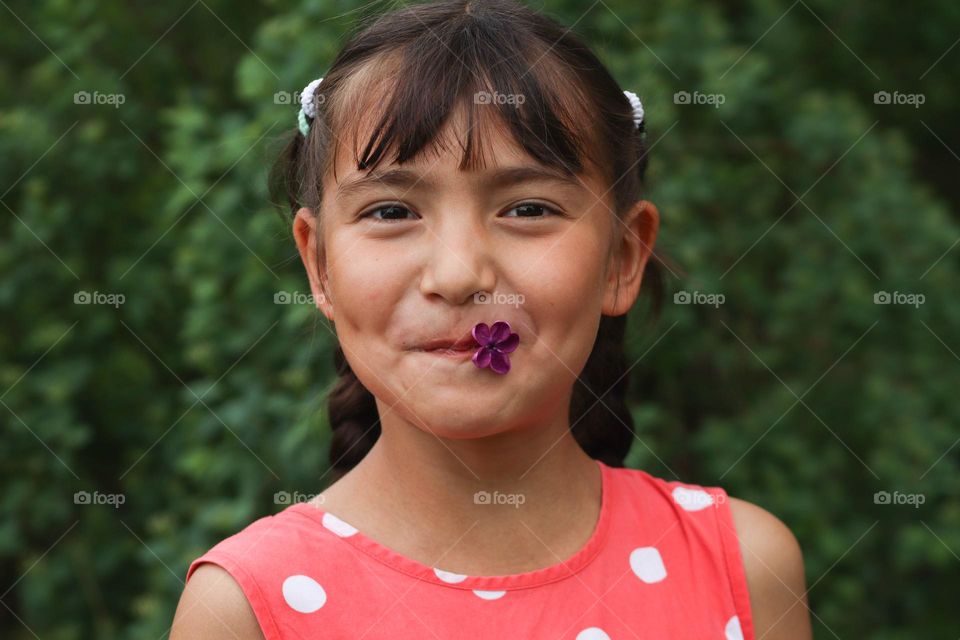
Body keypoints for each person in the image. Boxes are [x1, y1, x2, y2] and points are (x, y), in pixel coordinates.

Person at [172, 0, 812, 638]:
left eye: (528, 209)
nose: (457, 275)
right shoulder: (244, 609)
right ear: (320, 266)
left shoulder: (746, 568)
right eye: (392, 212)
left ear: (621, 257)